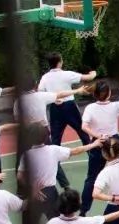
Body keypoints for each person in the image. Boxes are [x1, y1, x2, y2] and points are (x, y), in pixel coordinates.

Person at [17, 124, 103, 224]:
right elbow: (76, 150)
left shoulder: (26, 155)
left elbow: (20, 176)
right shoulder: (53, 150)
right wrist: (94, 144)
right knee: (58, 223)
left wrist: (32, 188)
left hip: (33, 193)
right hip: (50, 193)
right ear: (46, 137)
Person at [39, 52, 96, 185]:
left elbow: (41, 92)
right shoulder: (66, 74)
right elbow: (88, 77)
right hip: (69, 106)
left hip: (55, 108)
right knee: (83, 133)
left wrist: (54, 98)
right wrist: (93, 72)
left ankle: (55, 170)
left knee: (55, 141)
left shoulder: (45, 77)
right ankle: (94, 160)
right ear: (60, 62)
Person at [79, 80, 119, 215]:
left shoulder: (90, 108)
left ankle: (83, 211)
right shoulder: (115, 106)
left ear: (94, 94)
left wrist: (98, 136)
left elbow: (84, 126)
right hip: (114, 141)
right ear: (109, 93)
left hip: (98, 142)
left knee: (91, 178)